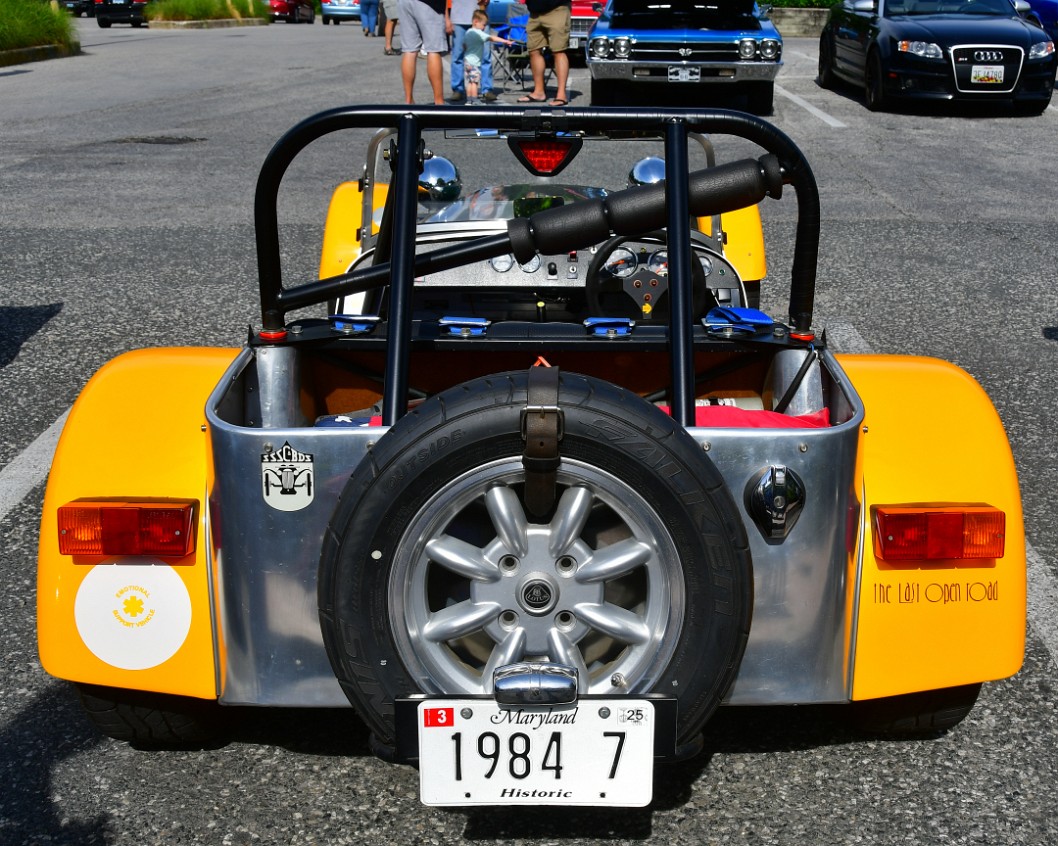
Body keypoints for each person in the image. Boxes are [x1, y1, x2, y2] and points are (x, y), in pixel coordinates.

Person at [517, 0, 570, 107]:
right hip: (534, 13)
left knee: (558, 51)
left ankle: (561, 95)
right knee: (534, 51)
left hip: (557, 9)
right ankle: (539, 92)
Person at [447, 0, 498, 103]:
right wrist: (447, 18)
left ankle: (487, 89)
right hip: (458, 18)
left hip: (481, 18)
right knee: (457, 56)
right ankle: (458, 89)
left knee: (485, 56)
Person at [398, 0, 447, 105]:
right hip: (429, 4)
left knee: (409, 50)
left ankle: (408, 100)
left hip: (404, 2)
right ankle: (439, 101)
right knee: (434, 50)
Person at [461, 9, 513, 103]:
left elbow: (464, 45)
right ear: (476, 22)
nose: (484, 27)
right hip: (475, 63)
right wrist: (505, 41)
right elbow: (492, 38)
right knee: (475, 83)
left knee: (469, 82)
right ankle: (475, 100)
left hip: (467, 61)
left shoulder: (468, 32)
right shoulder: (479, 33)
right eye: (483, 25)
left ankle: (469, 101)